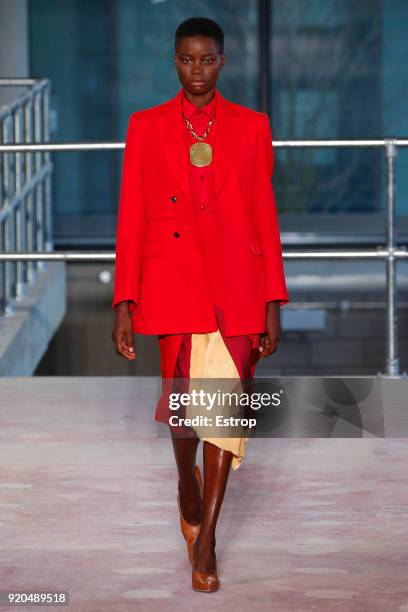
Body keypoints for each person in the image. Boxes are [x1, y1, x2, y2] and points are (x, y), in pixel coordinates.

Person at [111, 16, 289, 592]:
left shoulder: (252, 126)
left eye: (207, 60)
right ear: (174, 60)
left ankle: (206, 540)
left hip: (238, 285)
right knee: (187, 410)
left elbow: (265, 210)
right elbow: (132, 214)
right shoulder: (146, 127)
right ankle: (185, 488)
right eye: (186, 60)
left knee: (223, 410)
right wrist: (124, 300)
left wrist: (272, 300)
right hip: (174, 286)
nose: (196, 70)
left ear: (222, 61)